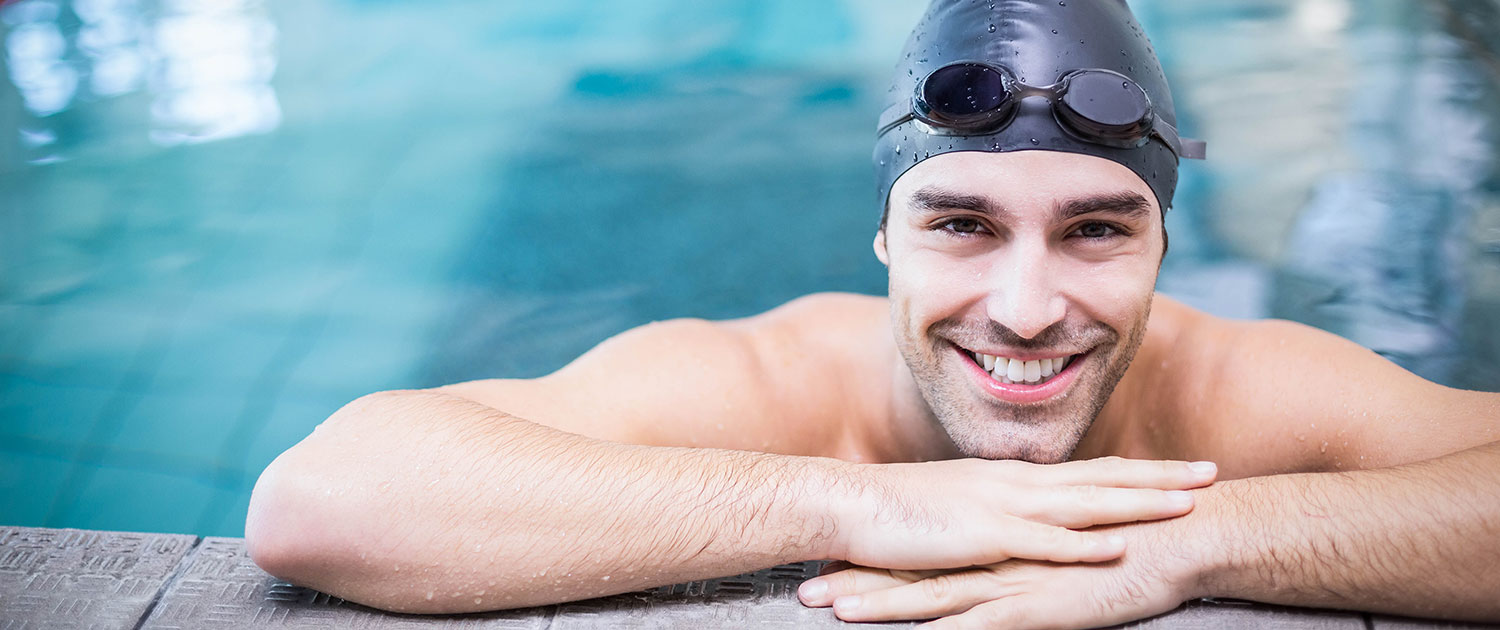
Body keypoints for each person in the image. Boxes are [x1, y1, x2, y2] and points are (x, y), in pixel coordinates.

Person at [244, 1, 1500, 627]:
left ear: (1164, 245)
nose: (1025, 310)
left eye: (1096, 230)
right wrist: (858, 504)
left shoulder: (1243, 396)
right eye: (962, 225)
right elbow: (321, 499)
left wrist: (1198, 541)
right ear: (885, 238)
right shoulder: (766, 389)